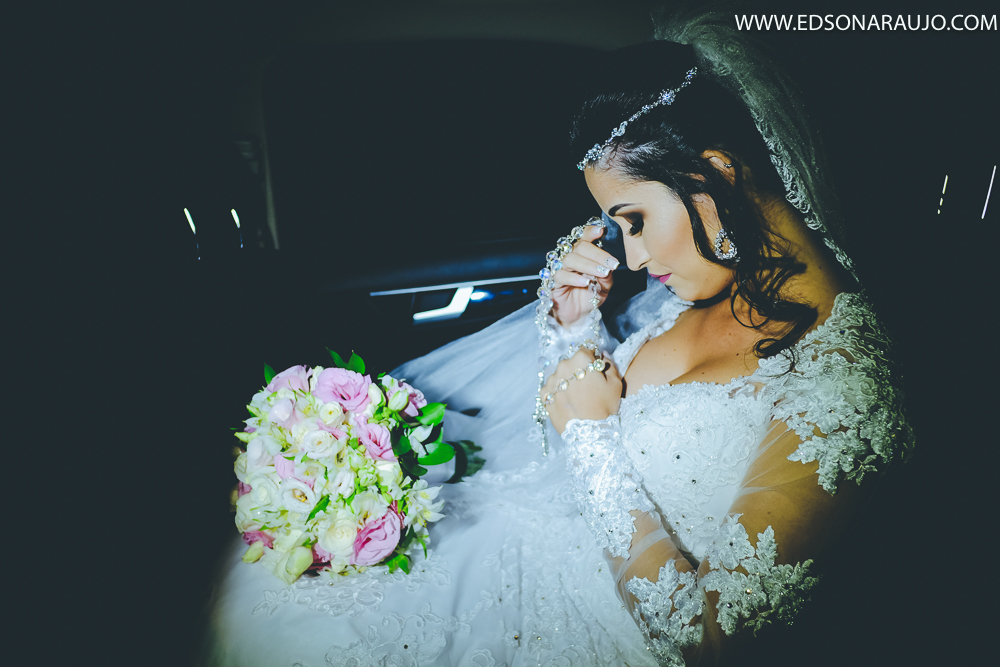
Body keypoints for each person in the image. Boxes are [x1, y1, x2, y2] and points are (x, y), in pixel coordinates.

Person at [202, 13, 912, 667]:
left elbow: (713, 642)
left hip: (602, 625)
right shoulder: (709, 278)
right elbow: (583, 400)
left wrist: (594, 439)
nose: (633, 259)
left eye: (634, 218)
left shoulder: (845, 383)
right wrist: (579, 327)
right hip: (539, 532)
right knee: (273, 601)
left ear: (714, 172)